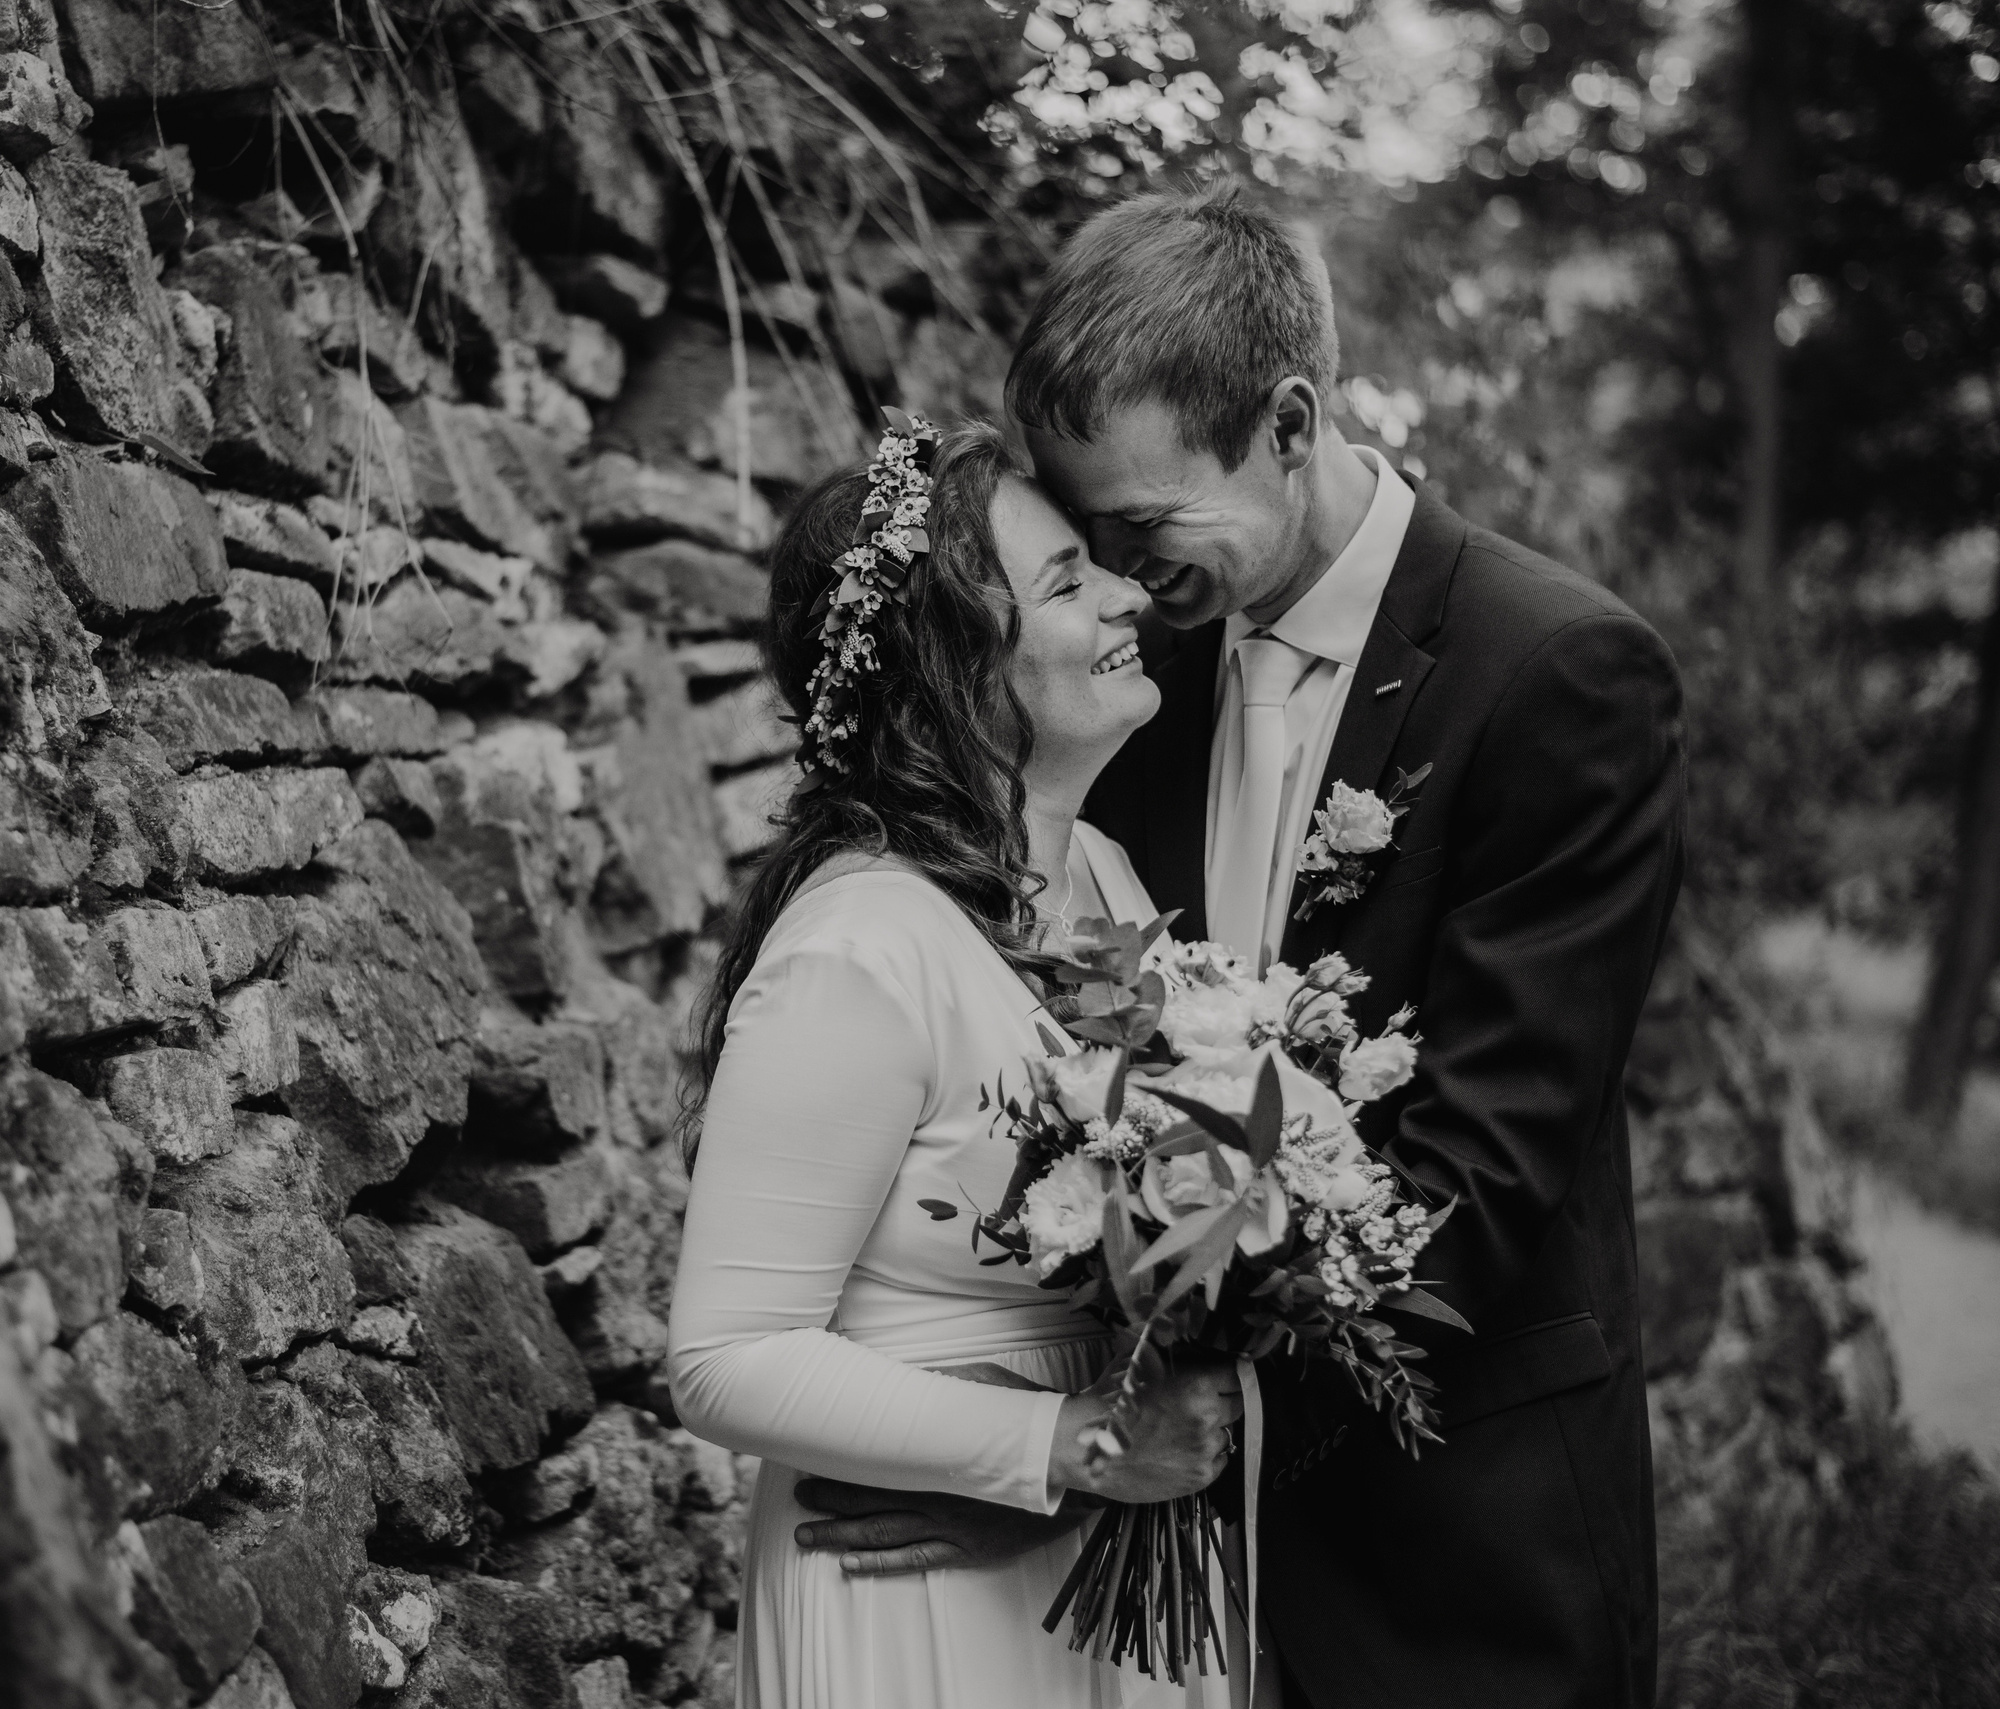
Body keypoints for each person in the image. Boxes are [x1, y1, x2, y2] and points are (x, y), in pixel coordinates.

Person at [794, 189, 1685, 1709]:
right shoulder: (1138, 689)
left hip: (1456, 1550)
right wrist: (1038, 1452)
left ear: (1288, 422)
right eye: (1090, 543)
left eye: (1142, 527)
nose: (1124, 583)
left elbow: (1484, 1169)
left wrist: (1117, 1453)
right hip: (1158, 1610)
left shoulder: (1555, 674)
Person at [666, 420, 1239, 1709]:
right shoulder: (862, 944)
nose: (1129, 593)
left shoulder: (1097, 877)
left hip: (1097, 1552)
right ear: (948, 667)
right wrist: (1069, 1445)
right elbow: (727, 1353)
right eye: (1065, 582)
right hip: (922, 1596)